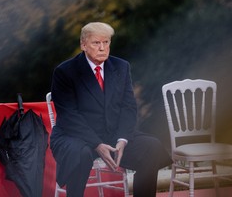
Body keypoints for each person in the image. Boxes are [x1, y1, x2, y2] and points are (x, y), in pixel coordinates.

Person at [50, 22, 172, 197]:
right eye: (96, 43)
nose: (102, 48)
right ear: (83, 45)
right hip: (75, 135)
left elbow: (128, 107)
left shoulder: (121, 67)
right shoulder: (65, 72)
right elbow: (69, 116)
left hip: (113, 133)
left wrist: (123, 138)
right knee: (81, 154)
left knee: (151, 147)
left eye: (106, 42)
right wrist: (97, 144)